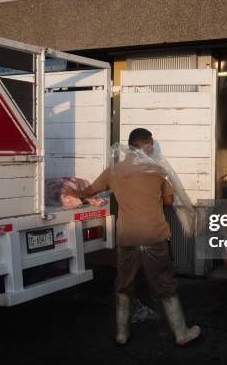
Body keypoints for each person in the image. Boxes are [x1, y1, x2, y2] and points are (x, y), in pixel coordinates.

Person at [66, 128, 201, 346]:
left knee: (123, 285)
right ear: (147, 144)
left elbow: (89, 190)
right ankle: (181, 334)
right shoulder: (158, 169)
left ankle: (121, 334)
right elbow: (168, 202)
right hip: (153, 237)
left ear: (130, 146)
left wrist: (71, 194)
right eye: (151, 145)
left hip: (127, 237)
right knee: (165, 285)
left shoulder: (114, 170)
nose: (152, 148)